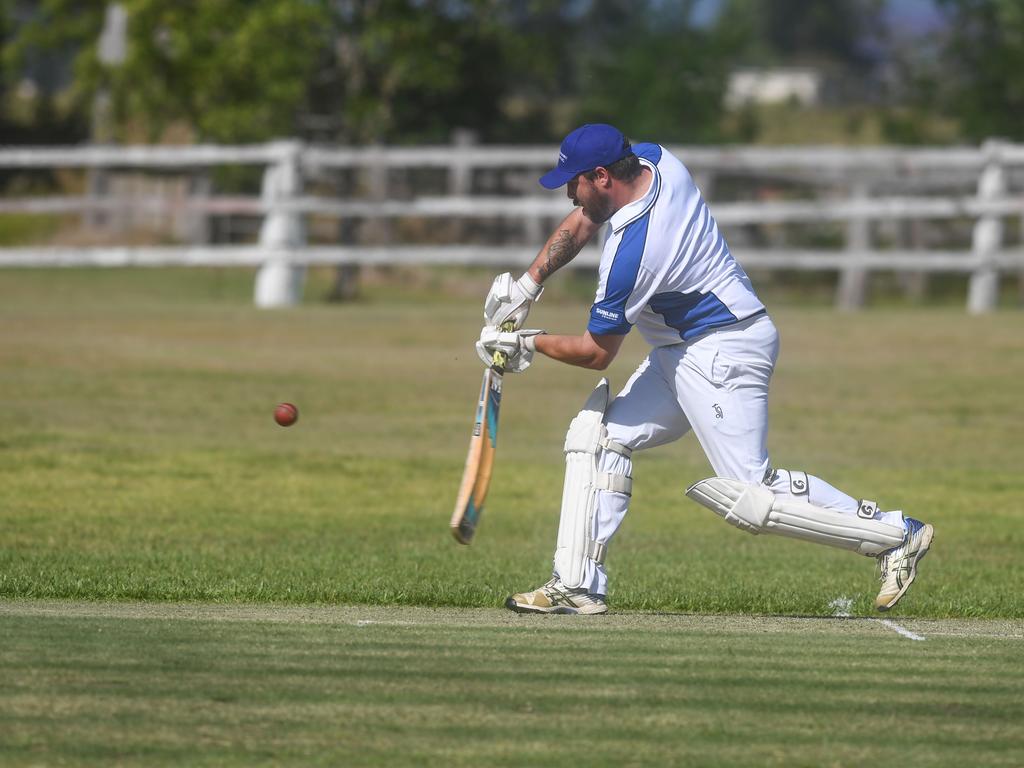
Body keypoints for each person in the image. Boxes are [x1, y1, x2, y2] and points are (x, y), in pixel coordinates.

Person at [476, 123, 933, 615]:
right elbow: (586, 218)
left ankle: (894, 534)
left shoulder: (635, 252)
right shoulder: (656, 159)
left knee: (750, 496)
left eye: (575, 180)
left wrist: (527, 343)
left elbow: (596, 353)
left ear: (603, 175)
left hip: (723, 350)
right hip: (688, 347)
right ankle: (576, 586)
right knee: (600, 438)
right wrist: (526, 288)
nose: (568, 191)